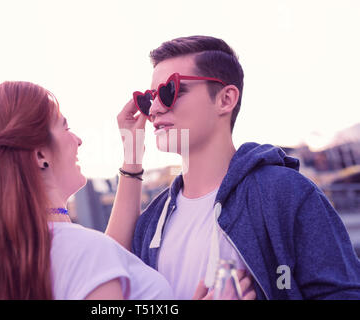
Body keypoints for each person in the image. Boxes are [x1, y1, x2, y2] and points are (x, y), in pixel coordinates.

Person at [106, 35, 360, 299]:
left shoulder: (285, 193)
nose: (155, 109)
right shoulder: (152, 220)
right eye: (149, 97)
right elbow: (105, 285)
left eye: (171, 90)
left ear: (225, 99)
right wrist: (132, 154)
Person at [0, 81, 177, 299]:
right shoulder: (86, 252)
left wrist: (132, 156)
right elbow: (91, 259)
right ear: (40, 155)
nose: (78, 140)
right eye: (66, 127)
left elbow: (99, 259)